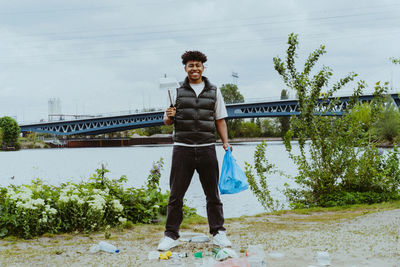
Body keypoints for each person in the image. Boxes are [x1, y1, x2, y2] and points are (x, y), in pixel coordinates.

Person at [157, 50, 232, 251]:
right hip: (183, 148)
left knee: (213, 194)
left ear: (203, 67)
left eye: (198, 65)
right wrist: (169, 115)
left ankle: (218, 233)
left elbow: (220, 119)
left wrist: (225, 142)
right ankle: (171, 235)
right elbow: (166, 122)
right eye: (191, 65)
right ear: (185, 68)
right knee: (176, 195)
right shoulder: (175, 91)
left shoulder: (215, 91)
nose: (195, 68)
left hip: (207, 147)